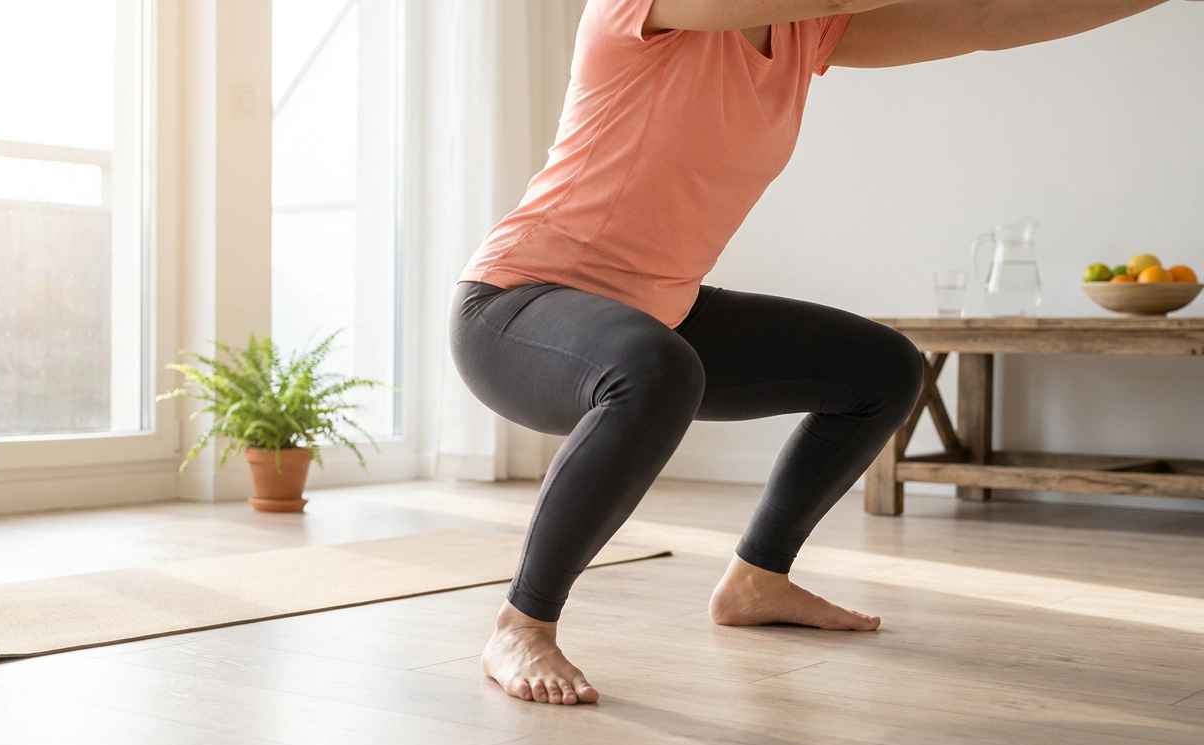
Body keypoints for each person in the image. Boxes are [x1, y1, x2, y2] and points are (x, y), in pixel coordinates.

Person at [448, 0, 1177, 706]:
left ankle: (757, 581)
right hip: (519, 306)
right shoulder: (649, 4)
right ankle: (522, 625)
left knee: (882, 369)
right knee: (655, 365)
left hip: (663, 313)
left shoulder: (804, 29)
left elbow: (988, 18)